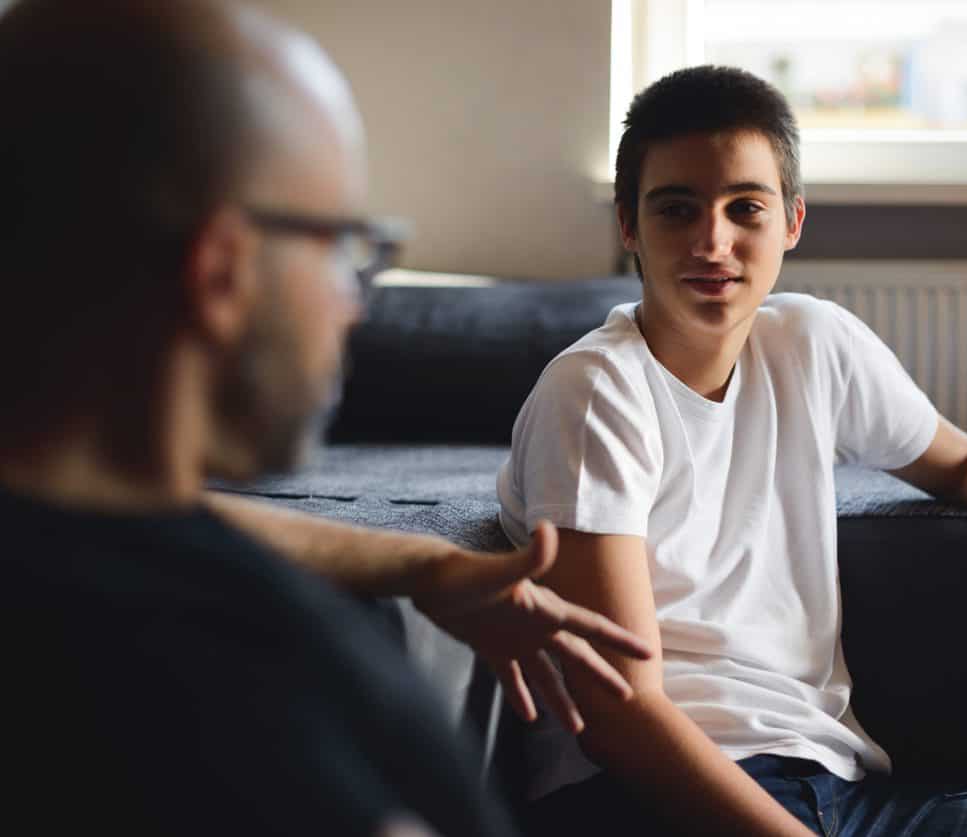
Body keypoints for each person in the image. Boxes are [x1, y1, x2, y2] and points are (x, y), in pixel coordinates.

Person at [495, 65, 967, 835]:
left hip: (838, 788)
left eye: (744, 208)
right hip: (661, 799)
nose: (712, 241)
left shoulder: (811, 343)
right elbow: (621, 709)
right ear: (629, 223)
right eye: (677, 209)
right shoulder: (595, 393)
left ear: (791, 222)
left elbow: (960, 461)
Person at [0, 1, 647, 834]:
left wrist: (423, 565)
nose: (354, 304)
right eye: (346, 247)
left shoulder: (71, 515)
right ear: (223, 270)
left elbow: (146, 517)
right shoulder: (235, 704)